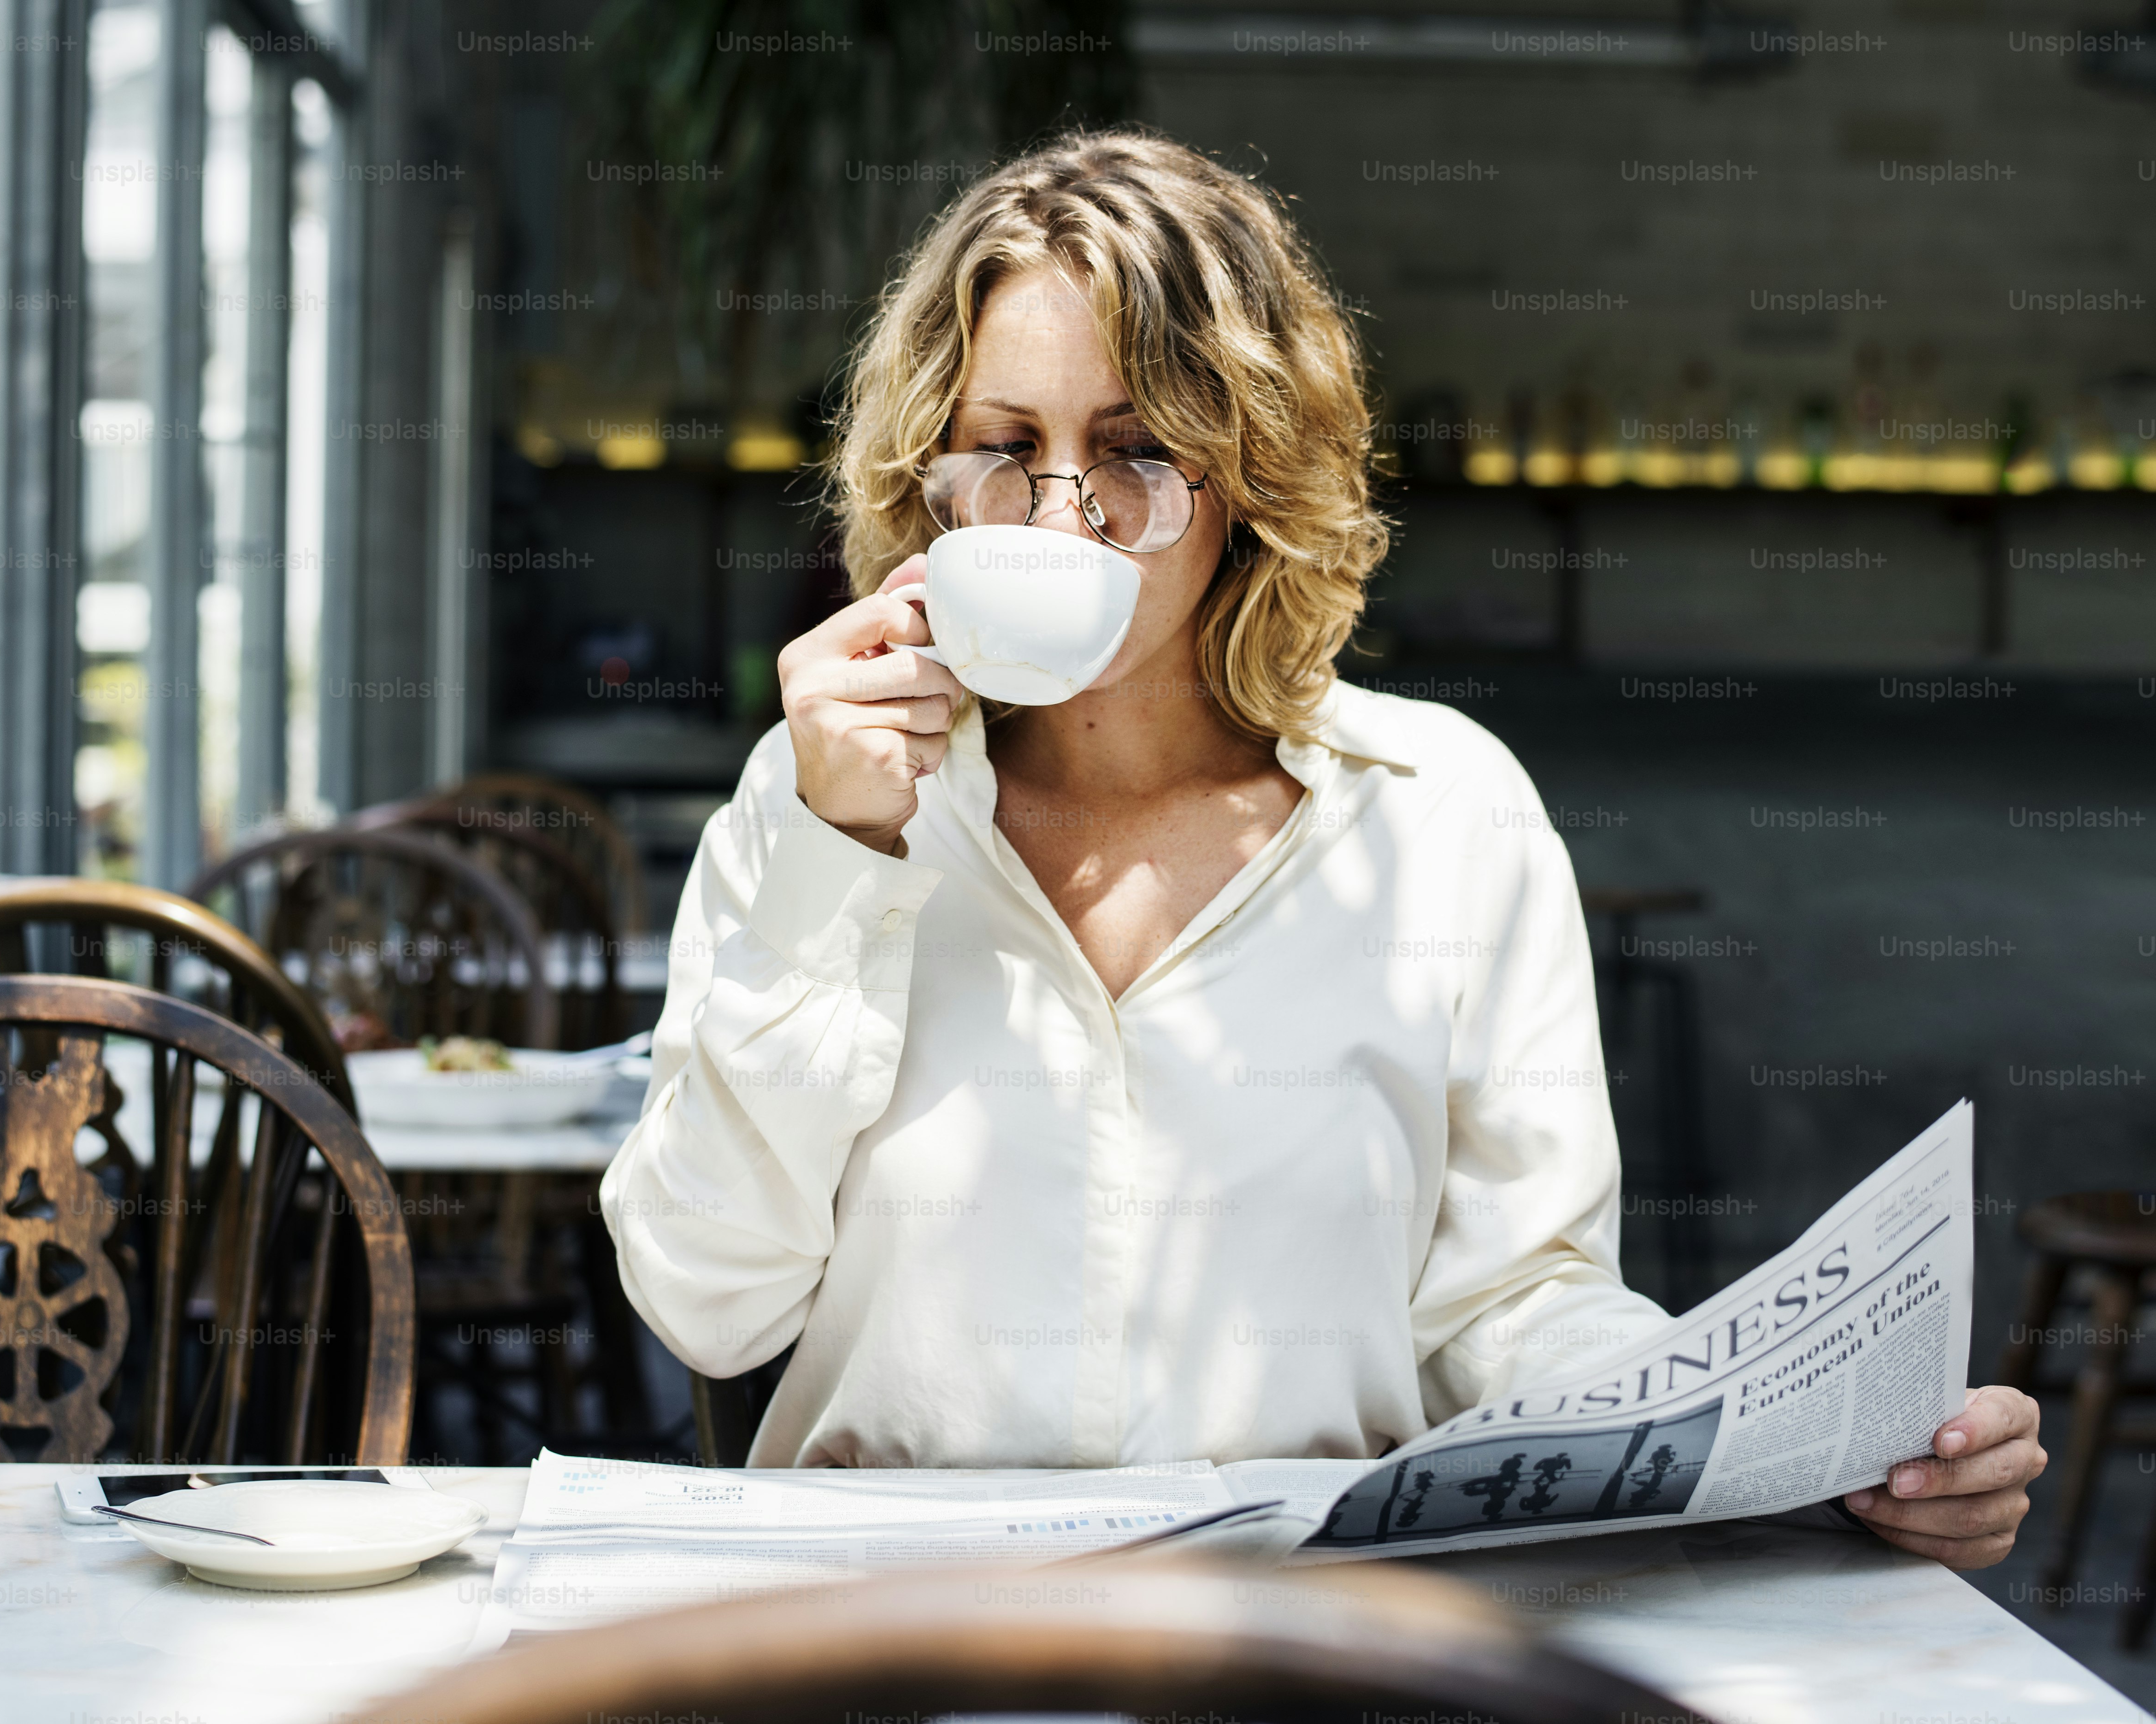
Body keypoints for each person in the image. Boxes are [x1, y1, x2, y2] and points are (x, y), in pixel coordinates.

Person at [599, 129, 2042, 1569]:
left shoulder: (1440, 815)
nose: (1060, 514)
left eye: (1137, 450)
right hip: (882, 1634)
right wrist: (834, 849)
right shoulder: (813, 812)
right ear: (930, 475)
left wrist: (1797, 1445)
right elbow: (703, 1297)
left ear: (1248, 478)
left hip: (1292, 1639)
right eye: (1002, 450)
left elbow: (1509, 1305)